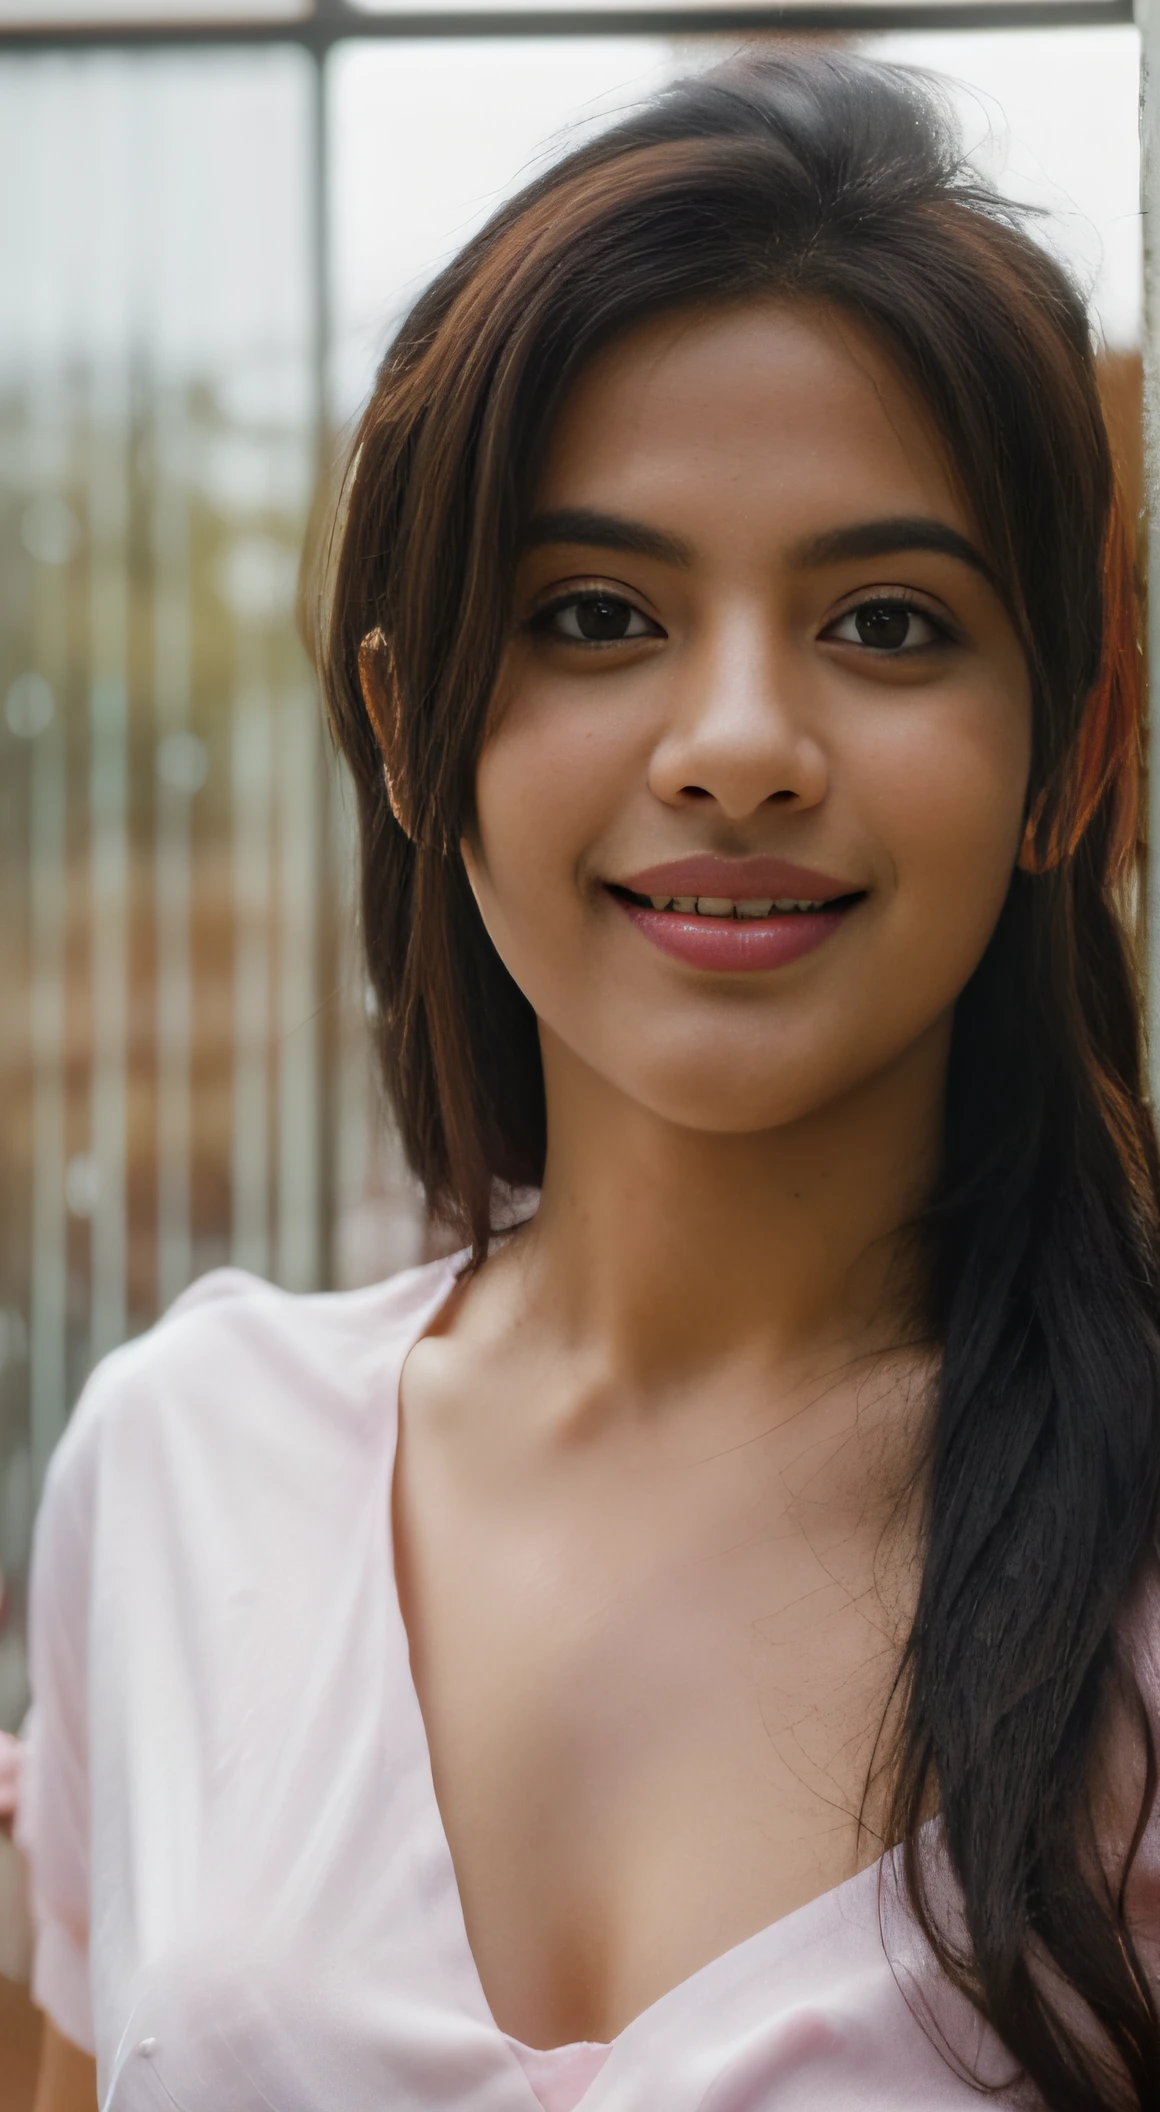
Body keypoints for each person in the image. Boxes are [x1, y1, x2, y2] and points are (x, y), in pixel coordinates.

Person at [18, 47, 1160, 2112]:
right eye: (597, 614)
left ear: (1071, 754)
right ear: (404, 722)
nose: (735, 742)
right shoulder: (184, 1478)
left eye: (887, 622)